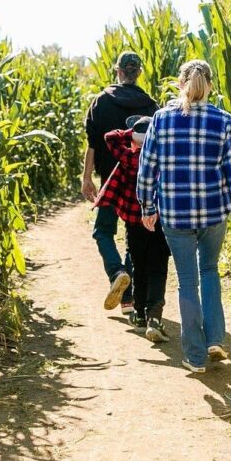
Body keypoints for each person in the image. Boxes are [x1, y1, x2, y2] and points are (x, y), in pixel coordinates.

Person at [136, 59, 231, 373]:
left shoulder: (161, 119)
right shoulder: (224, 121)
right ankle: (215, 338)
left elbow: (147, 170)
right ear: (210, 86)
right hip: (214, 214)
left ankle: (195, 357)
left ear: (180, 84)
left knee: (187, 282)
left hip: (176, 216)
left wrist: (147, 207)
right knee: (210, 272)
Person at [82, 51, 158, 311]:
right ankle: (128, 298)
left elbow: (93, 144)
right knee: (135, 233)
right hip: (140, 181)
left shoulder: (101, 102)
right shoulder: (150, 105)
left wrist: (86, 177)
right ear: (138, 73)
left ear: (118, 71)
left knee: (103, 230)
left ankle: (116, 273)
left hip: (111, 181)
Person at [96, 115, 171, 341]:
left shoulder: (130, 157)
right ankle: (154, 318)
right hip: (159, 221)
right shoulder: (163, 158)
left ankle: (138, 315)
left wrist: (133, 134)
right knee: (158, 267)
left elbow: (109, 137)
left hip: (134, 222)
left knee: (138, 266)